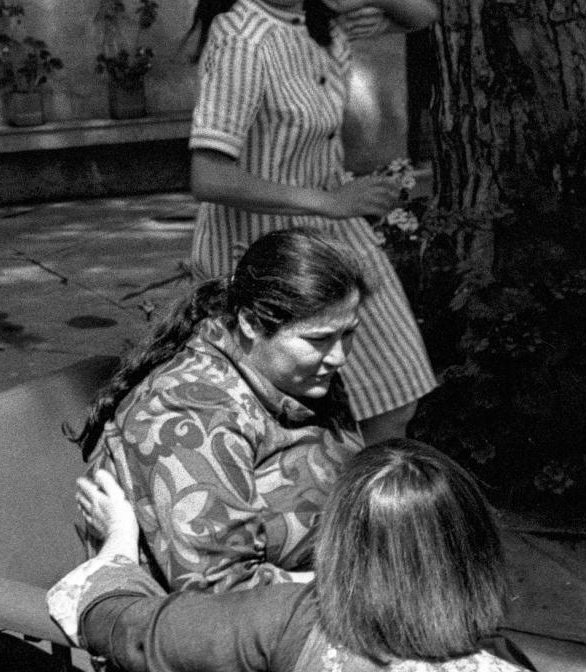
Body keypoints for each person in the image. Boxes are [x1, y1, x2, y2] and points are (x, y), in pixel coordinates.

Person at [185, 0, 439, 444]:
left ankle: (364, 493)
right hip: (261, 253)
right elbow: (208, 176)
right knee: (290, 427)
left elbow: (422, 15)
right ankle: (342, 496)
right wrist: (329, 201)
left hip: (329, 236)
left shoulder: (316, 20)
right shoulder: (241, 40)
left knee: (395, 396)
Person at [48, 440, 535, 672]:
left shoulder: (293, 621)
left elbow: (128, 631)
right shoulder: (505, 660)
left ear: (337, 543)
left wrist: (118, 542)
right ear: (479, 553)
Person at [70, 227, 366, 593]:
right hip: (227, 619)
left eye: (348, 333)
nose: (339, 356)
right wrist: (366, 585)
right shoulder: (185, 415)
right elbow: (222, 592)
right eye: (318, 339)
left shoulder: (304, 374)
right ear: (251, 323)